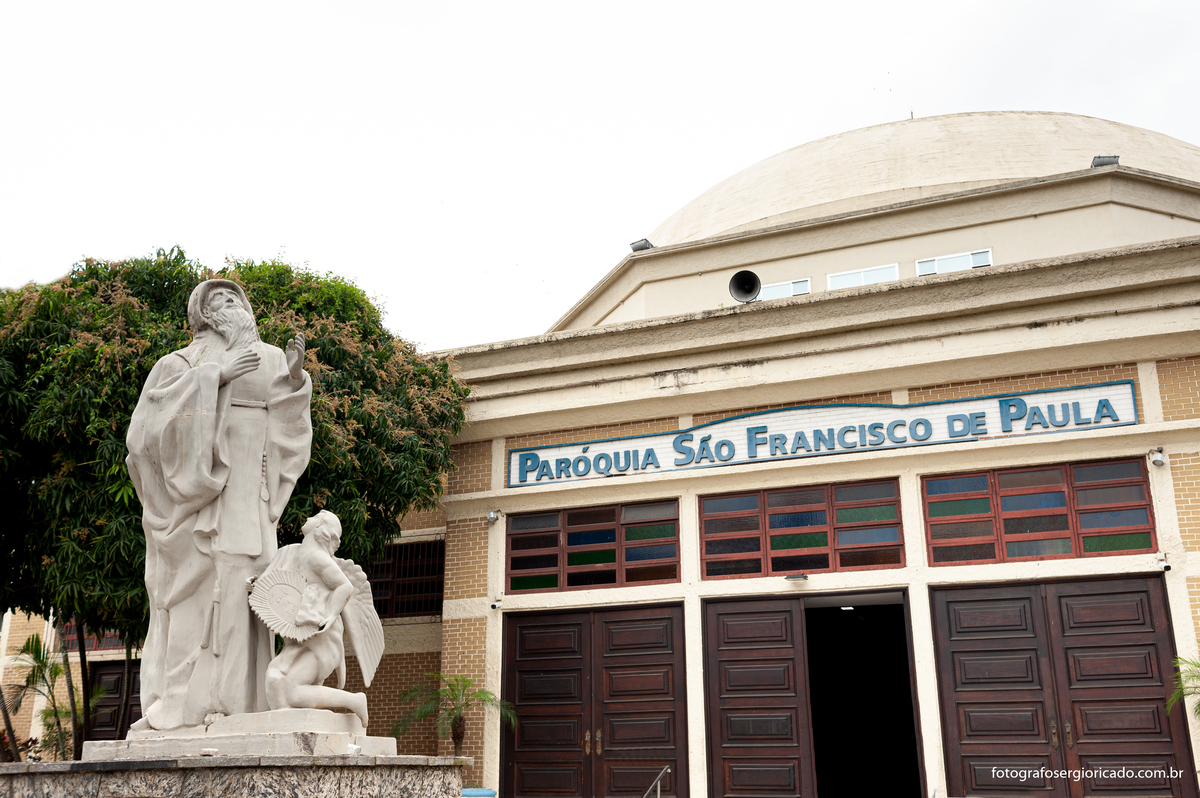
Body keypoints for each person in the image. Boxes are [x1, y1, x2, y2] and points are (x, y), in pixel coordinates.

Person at [125, 279, 312, 732]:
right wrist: (216, 377)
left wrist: (293, 381)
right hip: (204, 500)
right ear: (203, 315)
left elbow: (290, 428)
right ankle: (185, 701)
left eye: (234, 298)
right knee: (201, 595)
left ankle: (242, 703)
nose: (230, 304)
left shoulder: (269, 356)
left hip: (253, 489)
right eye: (218, 301)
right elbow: (143, 437)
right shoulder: (181, 362)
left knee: (248, 587)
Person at [255, 510, 378, 728]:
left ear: (321, 528)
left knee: (292, 689)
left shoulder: (317, 557)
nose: (308, 518)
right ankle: (289, 725)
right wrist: (256, 586)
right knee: (274, 678)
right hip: (298, 638)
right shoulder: (290, 552)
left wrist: (331, 614)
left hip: (322, 639)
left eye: (315, 517)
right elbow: (275, 585)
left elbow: (344, 585)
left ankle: (355, 700)